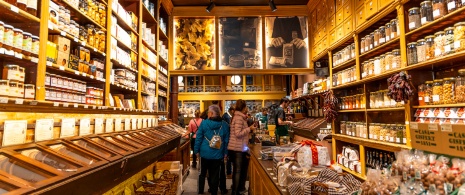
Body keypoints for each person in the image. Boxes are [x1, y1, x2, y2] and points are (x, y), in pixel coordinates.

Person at [194, 105, 230, 195]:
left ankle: (201, 191)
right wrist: (225, 153)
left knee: (202, 173)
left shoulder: (204, 123)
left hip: (205, 152)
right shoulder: (224, 125)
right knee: (215, 174)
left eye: (208, 112)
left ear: (211, 113)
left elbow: (199, 138)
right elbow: (226, 141)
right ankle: (214, 192)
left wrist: (196, 150)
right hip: (218, 154)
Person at [228, 99, 257, 195]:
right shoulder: (239, 118)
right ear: (243, 108)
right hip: (237, 149)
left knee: (238, 171)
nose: (247, 109)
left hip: (238, 148)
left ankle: (238, 190)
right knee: (237, 171)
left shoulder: (237, 117)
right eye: (246, 107)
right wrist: (249, 129)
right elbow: (237, 133)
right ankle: (235, 192)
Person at [222, 105, 235, 178]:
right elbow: (228, 127)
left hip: (228, 138)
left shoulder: (226, 116)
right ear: (232, 110)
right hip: (228, 138)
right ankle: (229, 172)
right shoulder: (226, 116)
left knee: (228, 156)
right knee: (228, 156)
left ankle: (229, 172)